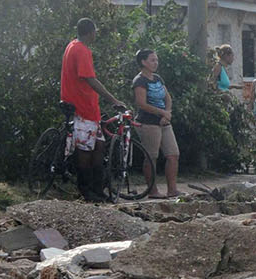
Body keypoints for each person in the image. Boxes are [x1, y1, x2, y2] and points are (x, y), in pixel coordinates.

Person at [60, 17, 124, 202]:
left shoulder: (72, 45)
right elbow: (90, 79)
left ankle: (98, 189)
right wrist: (112, 99)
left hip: (86, 107)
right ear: (91, 32)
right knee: (85, 152)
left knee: (99, 146)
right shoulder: (82, 50)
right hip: (83, 107)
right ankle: (86, 190)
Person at [130, 49, 180, 198]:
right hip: (148, 123)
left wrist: (167, 113)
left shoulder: (157, 78)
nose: (155, 63)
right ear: (143, 62)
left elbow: (167, 98)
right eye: (152, 60)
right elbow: (141, 103)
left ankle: (172, 189)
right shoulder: (139, 81)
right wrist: (161, 112)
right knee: (151, 157)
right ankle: (153, 191)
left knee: (173, 154)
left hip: (164, 121)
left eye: (156, 60)